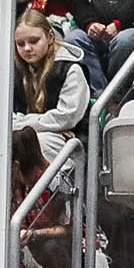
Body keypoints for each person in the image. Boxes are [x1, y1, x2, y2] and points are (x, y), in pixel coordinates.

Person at [9, 9, 88, 175]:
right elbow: (1, 117)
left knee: (39, 142)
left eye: (34, 41)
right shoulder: (12, 72)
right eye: (20, 44)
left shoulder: (70, 69)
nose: (27, 48)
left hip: (69, 141)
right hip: (26, 136)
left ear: (50, 37)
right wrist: (45, 126)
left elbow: (66, 118)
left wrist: (22, 124)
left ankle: (53, 191)